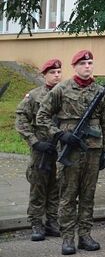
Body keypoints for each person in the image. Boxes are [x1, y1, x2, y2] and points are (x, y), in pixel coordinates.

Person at [36, 50, 105, 255]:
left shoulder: (99, 91)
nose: (88, 66)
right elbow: (42, 116)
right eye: (83, 63)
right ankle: (68, 238)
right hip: (70, 151)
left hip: (93, 150)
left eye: (90, 63)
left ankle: (85, 235)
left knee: (88, 195)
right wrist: (60, 134)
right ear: (75, 66)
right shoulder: (61, 89)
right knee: (68, 195)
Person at [16, 58, 63, 242]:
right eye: (52, 73)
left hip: (60, 148)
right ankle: (36, 223)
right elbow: (21, 120)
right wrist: (34, 142)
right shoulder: (34, 96)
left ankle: (52, 221)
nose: (57, 76)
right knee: (38, 185)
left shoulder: (66, 94)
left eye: (59, 72)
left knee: (56, 185)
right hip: (41, 148)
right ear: (45, 75)